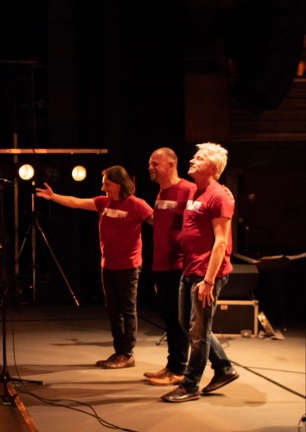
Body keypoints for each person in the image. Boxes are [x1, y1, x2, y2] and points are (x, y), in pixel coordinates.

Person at [35, 166, 153, 369]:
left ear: (119, 184)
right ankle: (119, 351)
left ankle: (127, 353)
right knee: (113, 311)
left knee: (127, 310)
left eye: (107, 184)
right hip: (108, 265)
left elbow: (158, 222)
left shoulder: (136, 204)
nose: (103, 188)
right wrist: (53, 197)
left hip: (129, 267)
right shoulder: (103, 202)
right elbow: (76, 202)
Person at [161, 143, 239, 403]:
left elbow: (221, 242)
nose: (192, 160)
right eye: (194, 156)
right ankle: (224, 368)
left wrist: (208, 281)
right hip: (190, 268)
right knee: (188, 324)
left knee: (199, 332)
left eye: (199, 158)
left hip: (206, 274)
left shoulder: (219, 196)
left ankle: (190, 384)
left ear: (213, 168)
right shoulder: (195, 190)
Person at [143, 147, 196, 386]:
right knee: (168, 317)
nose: (150, 167)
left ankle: (178, 369)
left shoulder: (188, 189)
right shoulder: (162, 192)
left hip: (178, 265)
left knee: (178, 320)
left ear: (171, 165)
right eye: (150, 163)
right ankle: (171, 365)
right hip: (161, 264)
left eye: (155, 164)